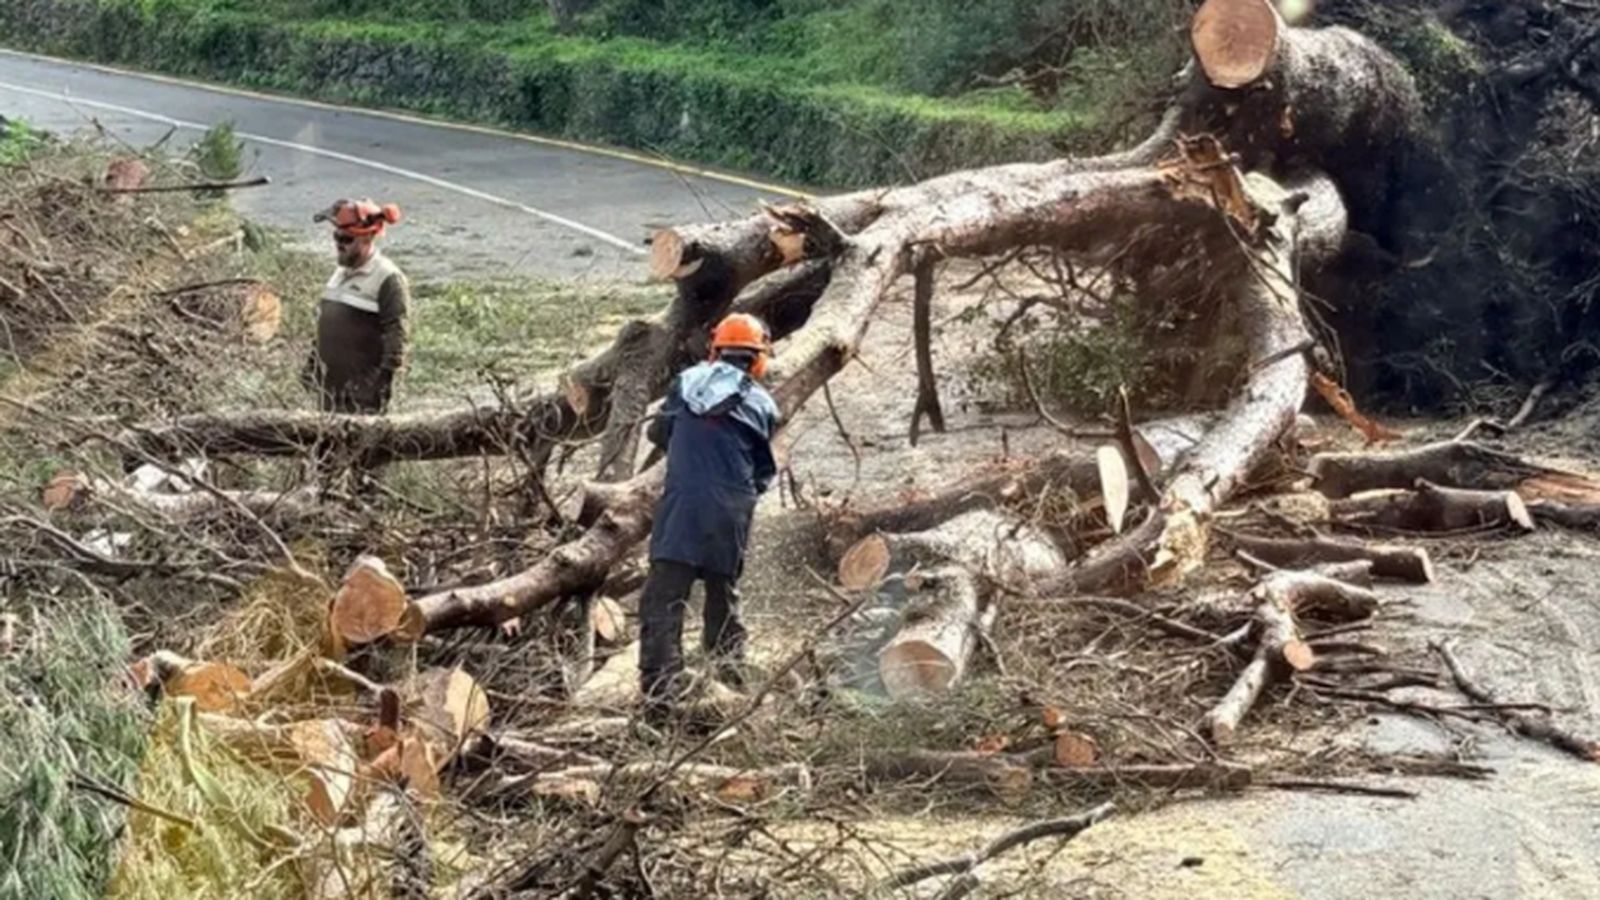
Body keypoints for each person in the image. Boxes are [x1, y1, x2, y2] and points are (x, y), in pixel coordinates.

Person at [638, 313, 780, 720]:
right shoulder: (764, 404)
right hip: (732, 506)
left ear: (715, 350)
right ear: (758, 359)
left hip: (682, 502)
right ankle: (729, 674)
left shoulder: (685, 384)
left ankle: (660, 693)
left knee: (664, 597)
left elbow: (658, 434)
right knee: (723, 593)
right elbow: (762, 470)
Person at [302, 198, 410, 414]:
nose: (339, 244)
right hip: (330, 391)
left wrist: (380, 387)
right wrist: (312, 365)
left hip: (361, 396)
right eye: (336, 237)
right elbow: (329, 324)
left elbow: (397, 338)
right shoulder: (340, 273)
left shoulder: (388, 278)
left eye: (346, 239)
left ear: (368, 237)